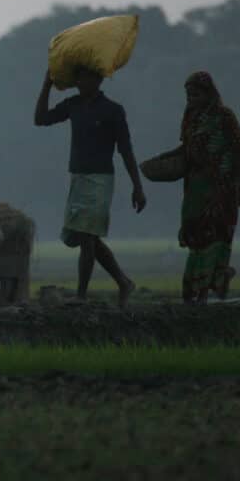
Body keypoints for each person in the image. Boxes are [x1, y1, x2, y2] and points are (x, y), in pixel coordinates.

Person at [34, 66, 146, 307]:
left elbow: (126, 151)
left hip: (100, 180)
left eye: (84, 77)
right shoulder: (73, 105)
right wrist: (46, 86)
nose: (80, 82)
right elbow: (40, 119)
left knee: (87, 236)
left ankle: (81, 295)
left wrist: (138, 187)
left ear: (97, 79)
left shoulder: (113, 111)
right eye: (78, 77)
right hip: (78, 179)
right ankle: (123, 281)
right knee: (87, 237)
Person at [175, 71, 240, 304]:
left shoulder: (224, 117)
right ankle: (198, 290)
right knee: (196, 237)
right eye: (188, 94)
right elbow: (187, 151)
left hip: (222, 189)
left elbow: (239, 152)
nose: (191, 98)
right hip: (196, 189)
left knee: (216, 237)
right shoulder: (190, 117)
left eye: (196, 94)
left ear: (209, 94)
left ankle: (209, 291)